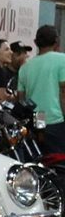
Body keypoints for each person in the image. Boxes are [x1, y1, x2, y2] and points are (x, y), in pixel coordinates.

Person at [16, 25, 65, 154]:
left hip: (37, 118)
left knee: (41, 156)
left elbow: (21, 98)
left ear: (36, 42)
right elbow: (63, 93)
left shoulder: (25, 67)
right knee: (58, 159)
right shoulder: (62, 60)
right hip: (56, 119)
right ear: (56, 41)